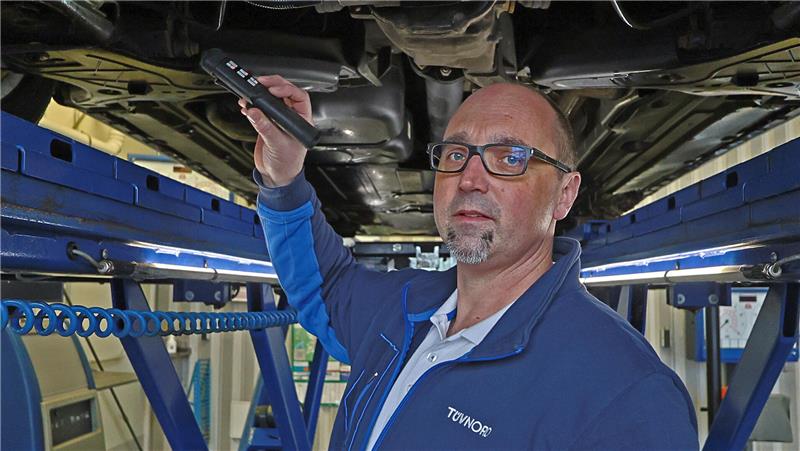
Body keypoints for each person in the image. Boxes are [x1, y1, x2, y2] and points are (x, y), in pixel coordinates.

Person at [240, 76, 699, 450]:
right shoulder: (402, 307)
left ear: (565, 194)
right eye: (457, 154)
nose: (470, 178)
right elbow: (329, 284)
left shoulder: (626, 393)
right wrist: (284, 177)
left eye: (510, 157)